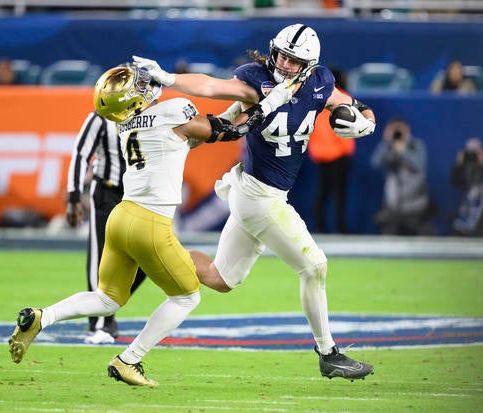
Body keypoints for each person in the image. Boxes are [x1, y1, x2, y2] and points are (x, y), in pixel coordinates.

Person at [8, 64, 290, 386]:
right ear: (133, 99)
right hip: (150, 222)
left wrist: (239, 107)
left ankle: (43, 317)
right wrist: (268, 104)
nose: (144, 85)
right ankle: (129, 359)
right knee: (187, 297)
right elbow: (230, 132)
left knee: (107, 298)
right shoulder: (172, 111)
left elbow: (204, 132)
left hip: (121, 217)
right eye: (137, 85)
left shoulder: (126, 124)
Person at [134, 22, 376, 381]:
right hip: (260, 195)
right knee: (314, 267)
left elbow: (356, 106)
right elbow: (212, 85)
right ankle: (328, 353)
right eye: (280, 54)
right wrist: (169, 78)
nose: (282, 62)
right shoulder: (256, 79)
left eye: (292, 60)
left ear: (308, 64)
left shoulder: (320, 80)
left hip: (263, 193)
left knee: (220, 278)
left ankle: (152, 254)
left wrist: (365, 123)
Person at [65, 111, 147, 344]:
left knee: (149, 258)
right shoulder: (100, 118)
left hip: (139, 195)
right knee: (100, 259)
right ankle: (99, 323)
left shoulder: (150, 114)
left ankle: (108, 307)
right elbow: (80, 154)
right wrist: (73, 197)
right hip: (107, 192)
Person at [307, 67, 355, 233]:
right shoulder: (343, 98)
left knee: (322, 194)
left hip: (321, 156)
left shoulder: (314, 98)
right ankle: (340, 228)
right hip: (338, 155)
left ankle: (321, 228)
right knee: (338, 195)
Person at [370, 117, 434, 235]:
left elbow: (420, 166)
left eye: (400, 129)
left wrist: (403, 151)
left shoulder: (416, 145)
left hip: (416, 207)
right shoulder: (388, 146)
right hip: (393, 207)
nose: (398, 132)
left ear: (407, 130)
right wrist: (386, 142)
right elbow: (375, 162)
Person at [450, 138, 483, 237]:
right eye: (470, 152)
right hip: (466, 214)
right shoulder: (466, 169)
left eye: (475, 152)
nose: (472, 155)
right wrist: (458, 165)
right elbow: (454, 181)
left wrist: (481, 161)